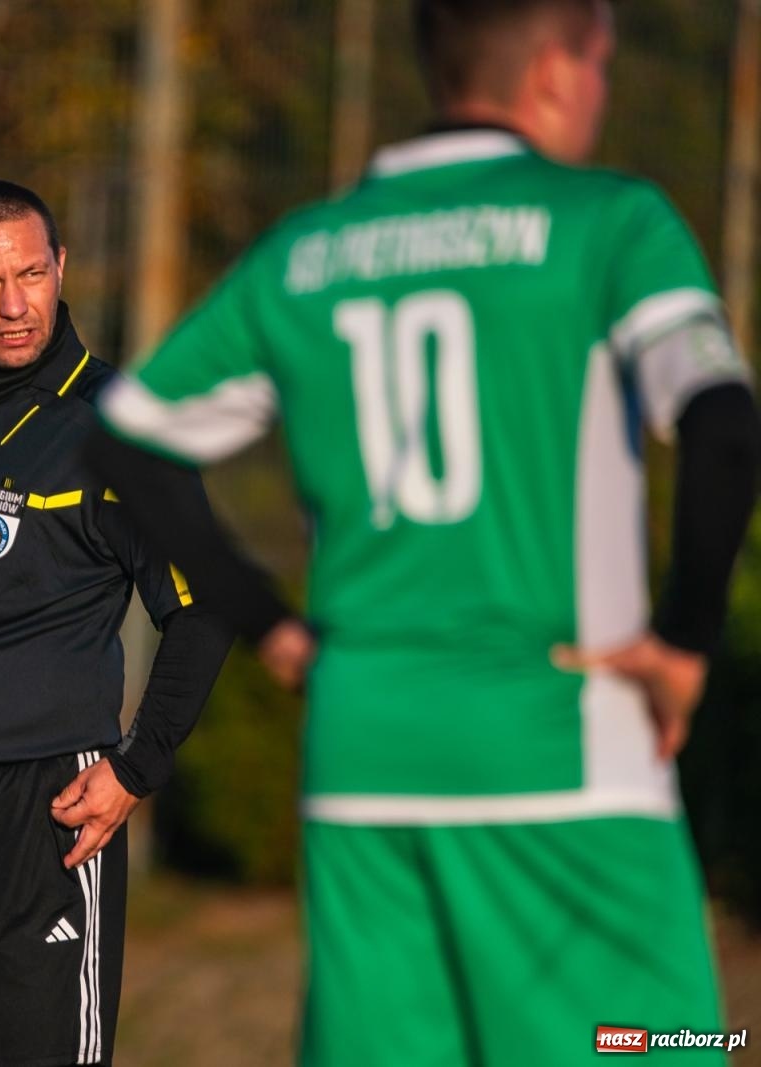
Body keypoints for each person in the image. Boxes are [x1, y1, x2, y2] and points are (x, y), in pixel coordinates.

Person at [89, 1, 761, 1063]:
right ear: (550, 69)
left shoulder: (307, 253)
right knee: (664, 1038)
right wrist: (682, 640)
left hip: (364, 756)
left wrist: (273, 625)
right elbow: (723, 427)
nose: (600, 89)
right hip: (564, 745)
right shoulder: (608, 222)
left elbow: (124, 440)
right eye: (599, 63)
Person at [0, 178, 300, 1067]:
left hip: (32, 827)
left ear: (61, 266)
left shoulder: (118, 424)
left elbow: (199, 607)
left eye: (32, 273)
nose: (17, 303)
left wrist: (136, 769)